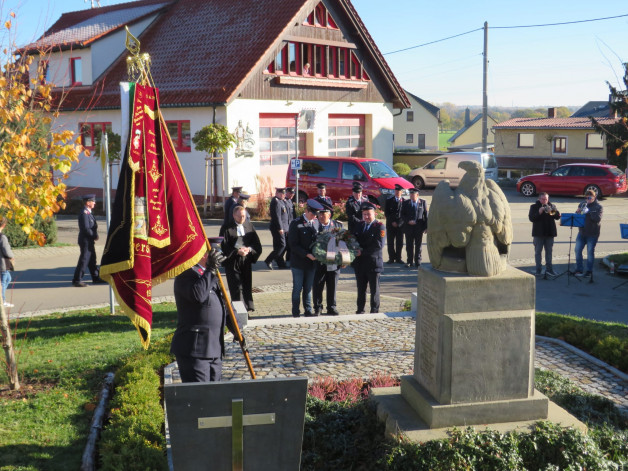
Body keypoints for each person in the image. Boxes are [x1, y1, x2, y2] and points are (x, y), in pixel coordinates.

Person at [171, 246, 235, 382]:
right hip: (195, 350)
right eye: (213, 253)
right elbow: (198, 295)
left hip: (214, 348)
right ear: (203, 254)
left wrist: (238, 330)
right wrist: (210, 271)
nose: (217, 256)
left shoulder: (209, 275)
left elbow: (225, 304)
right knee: (200, 398)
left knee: (214, 397)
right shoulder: (186, 274)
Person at [221, 205, 262, 312]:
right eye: (239, 216)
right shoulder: (226, 227)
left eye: (244, 216)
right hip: (232, 261)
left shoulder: (249, 226)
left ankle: (248, 307)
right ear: (234, 215)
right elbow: (223, 246)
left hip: (246, 261)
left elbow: (257, 244)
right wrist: (236, 251)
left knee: (246, 285)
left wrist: (249, 249)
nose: (242, 219)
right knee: (236, 288)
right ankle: (239, 311)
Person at [288, 199, 320, 317]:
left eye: (315, 215)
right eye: (312, 214)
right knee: (297, 288)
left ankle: (308, 310)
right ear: (306, 211)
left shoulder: (316, 223)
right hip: (299, 262)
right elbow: (293, 244)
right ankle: (295, 311)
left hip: (312, 263)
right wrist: (307, 254)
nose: (314, 217)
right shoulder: (296, 223)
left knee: (308, 288)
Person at [352, 202, 385, 314]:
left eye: (368, 214)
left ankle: (374, 311)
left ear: (374, 213)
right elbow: (354, 239)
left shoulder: (379, 226)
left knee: (374, 289)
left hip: (373, 264)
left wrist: (362, 252)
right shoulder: (360, 225)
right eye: (364, 214)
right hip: (360, 264)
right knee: (361, 289)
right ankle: (360, 310)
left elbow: (378, 246)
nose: (366, 216)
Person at [313, 202, 343, 316]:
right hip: (319, 261)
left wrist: (344, 260)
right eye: (319, 214)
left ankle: (331, 307)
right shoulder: (314, 225)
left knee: (332, 285)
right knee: (318, 285)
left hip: (334, 261)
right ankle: (317, 307)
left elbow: (343, 243)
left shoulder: (338, 226)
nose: (321, 216)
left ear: (329, 215)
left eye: (323, 214)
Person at [72, 194, 106, 287]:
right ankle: (77, 280)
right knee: (84, 260)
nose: (95, 202)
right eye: (93, 201)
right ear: (88, 203)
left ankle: (96, 277)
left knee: (92, 259)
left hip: (89, 240)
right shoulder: (84, 213)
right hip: (85, 240)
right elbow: (86, 229)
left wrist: (94, 235)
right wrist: (94, 235)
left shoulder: (88, 212)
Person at [528, 192, 561, 277]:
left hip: (549, 233)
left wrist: (552, 212)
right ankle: (538, 270)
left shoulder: (552, 206)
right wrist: (539, 212)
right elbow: (531, 218)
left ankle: (549, 270)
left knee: (549, 252)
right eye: (543, 199)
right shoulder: (534, 206)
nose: (544, 201)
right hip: (538, 234)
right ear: (539, 199)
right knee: (538, 252)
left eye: (546, 199)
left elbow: (557, 216)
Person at [574, 190, 603, 277]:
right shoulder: (582, 204)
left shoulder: (598, 207)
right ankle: (579, 269)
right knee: (577, 250)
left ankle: (589, 271)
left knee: (590, 252)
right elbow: (577, 218)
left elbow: (597, 219)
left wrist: (589, 212)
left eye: (590, 198)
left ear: (594, 197)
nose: (588, 199)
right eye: (586, 198)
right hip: (582, 232)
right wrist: (577, 212)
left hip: (592, 233)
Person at [401, 188, 428, 268]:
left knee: (418, 245)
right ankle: (409, 261)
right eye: (410, 194)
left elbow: (426, 216)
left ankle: (418, 261)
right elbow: (402, 215)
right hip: (408, 227)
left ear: (417, 195)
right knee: (409, 245)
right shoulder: (406, 203)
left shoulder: (422, 203)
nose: (411, 196)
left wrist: (426, 227)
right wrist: (408, 221)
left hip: (418, 228)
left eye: (413, 194)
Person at [264, 188, 290, 270]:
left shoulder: (282, 201)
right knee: (282, 245)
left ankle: (280, 263)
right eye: (282, 194)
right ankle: (269, 260)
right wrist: (280, 228)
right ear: (277, 193)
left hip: (284, 227)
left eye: (284, 193)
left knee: (279, 246)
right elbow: (277, 216)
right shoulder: (276, 201)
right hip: (278, 228)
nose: (284, 195)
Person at [384, 184, 405, 264]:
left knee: (399, 242)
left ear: (402, 192)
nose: (397, 192)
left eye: (399, 191)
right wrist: (392, 222)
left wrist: (399, 223)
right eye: (396, 191)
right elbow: (387, 213)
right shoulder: (389, 201)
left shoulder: (405, 202)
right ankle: (391, 258)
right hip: (390, 225)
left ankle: (399, 258)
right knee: (390, 242)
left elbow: (405, 215)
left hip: (400, 226)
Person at [0, 217, 15, 308]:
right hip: (3, 264)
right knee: (3, 281)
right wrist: (12, 256)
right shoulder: (2, 237)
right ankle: (2, 300)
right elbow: (6, 250)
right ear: (4, 225)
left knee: (8, 279)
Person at [284, 187, 297, 264]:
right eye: (291, 193)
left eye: (293, 193)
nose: (292, 195)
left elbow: (293, 215)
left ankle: (288, 260)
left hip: (291, 226)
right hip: (288, 227)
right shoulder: (284, 201)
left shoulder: (290, 201)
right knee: (287, 245)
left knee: (290, 244)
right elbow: (287, 217)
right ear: (287, 193)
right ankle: (287, 260)